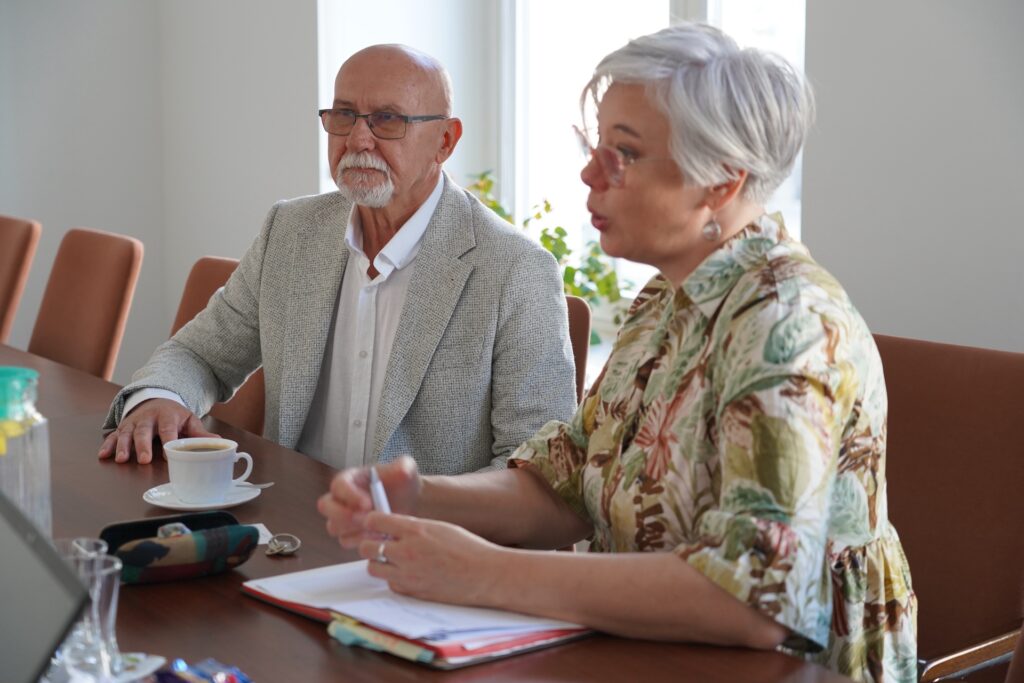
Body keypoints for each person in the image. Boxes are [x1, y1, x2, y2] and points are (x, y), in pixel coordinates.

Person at [317, 24, 917, 683]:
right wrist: (418, 496)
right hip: (641, 650)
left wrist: (484, 571)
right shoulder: (666, 297)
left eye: (623, 153)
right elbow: (567, 482)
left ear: (721, 180)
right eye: (595, 147)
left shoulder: (788, 323)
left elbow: (756, 603)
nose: (589, 172)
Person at [99, 44, 577, 474]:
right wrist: (159, 397)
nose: (358, 140)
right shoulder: (290, 231)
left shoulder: (516, 270)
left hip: (422, 552)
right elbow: (200, 354)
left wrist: (416, 514)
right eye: (344, 115)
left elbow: (534, 471)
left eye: (388, 120)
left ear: (446, 141)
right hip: (290, 528)